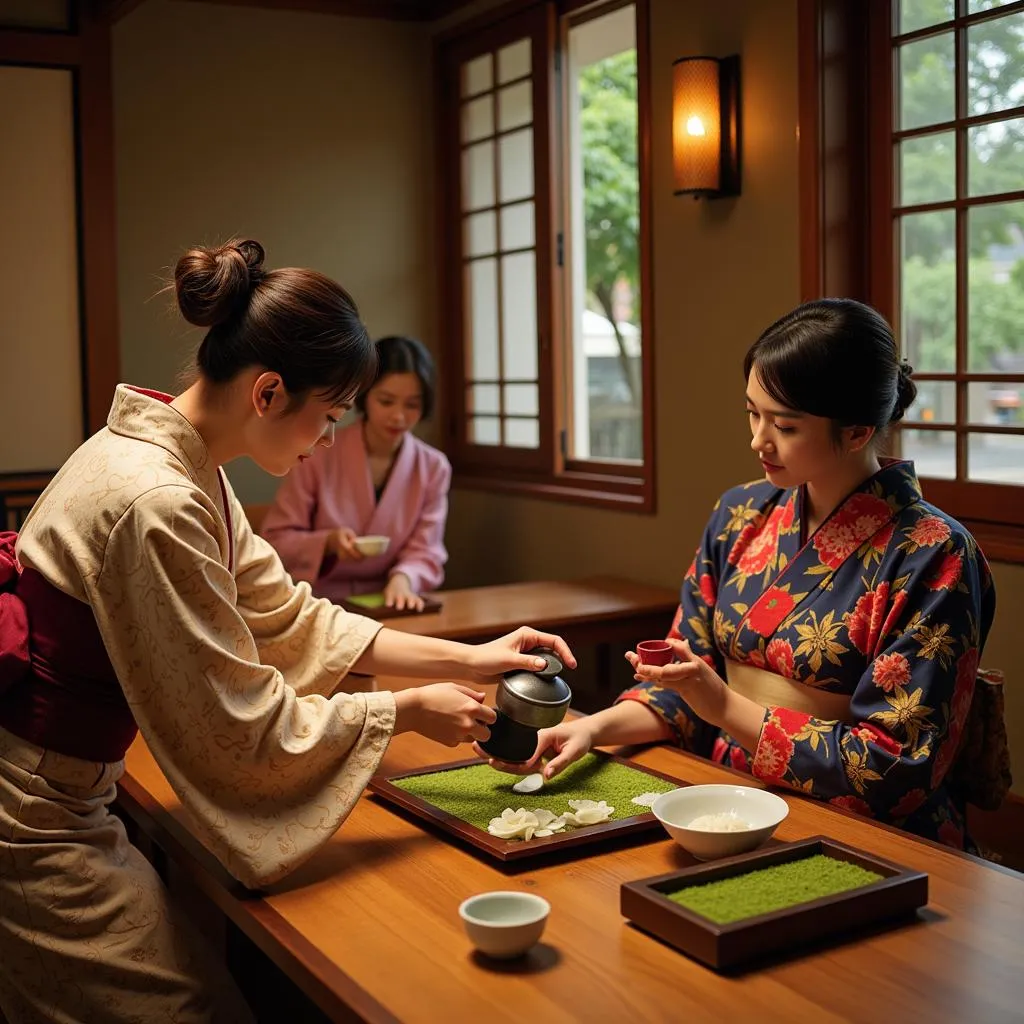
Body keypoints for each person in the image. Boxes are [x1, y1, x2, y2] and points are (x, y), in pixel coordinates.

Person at [0, 239, 576, 1023]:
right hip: (35, 814)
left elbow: (289, 619)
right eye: (330, 416)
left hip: (65, 796)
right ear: (269, 392)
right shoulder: (158, 499)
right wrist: (406, 711)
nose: (330, 440)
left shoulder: (182, 465)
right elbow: (234, 724)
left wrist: (474, 658)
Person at [481, 298, 997, 851]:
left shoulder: (934, 554)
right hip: (722, 792)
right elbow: (686, 680)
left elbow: (897, 765)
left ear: (855, 431)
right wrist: (592, 728)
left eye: (784, 425)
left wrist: (725, 707)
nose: (758, 440)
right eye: (752, 413)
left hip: (861, 824)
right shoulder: (741, 514)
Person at [261, 334, 448, 611]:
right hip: (319, 601)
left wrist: (404, 577)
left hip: (392, 600)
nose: (399, 416)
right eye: (386, 401)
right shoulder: (317, 452)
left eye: (412, 405)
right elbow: (276, 539)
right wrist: (328, 543)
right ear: (365, 396)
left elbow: (426, 548)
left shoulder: (433, 466)